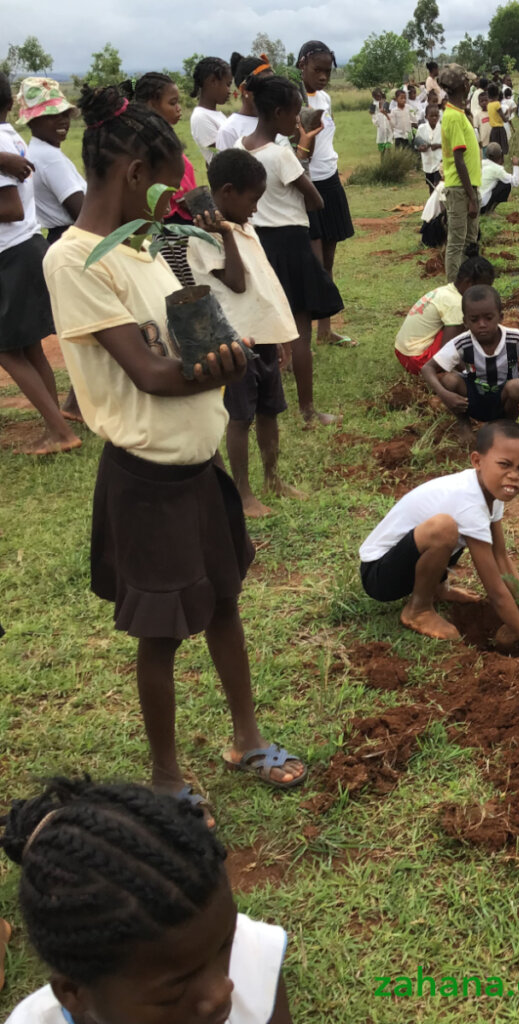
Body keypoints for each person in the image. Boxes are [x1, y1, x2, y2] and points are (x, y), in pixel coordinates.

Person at [43, 85, 306, 824]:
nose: (174, 195)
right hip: (147, 479)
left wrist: (224, 332)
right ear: (133, 175)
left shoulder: (149, 245)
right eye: (167, 180)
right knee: (162, 633)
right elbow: (153, 374)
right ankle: (165, 779)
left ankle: (247, 740)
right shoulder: (75, 263)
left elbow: (202, 319)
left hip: (198, 469)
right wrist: (228, 365)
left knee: (223, 604)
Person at [0, 777, 294, 1024]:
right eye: (174, 990)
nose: (221, 993)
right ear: (74, 993)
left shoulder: (253, 960)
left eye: (226, 945)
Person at [359, 419, 519, 652]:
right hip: (380, 575)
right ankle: (418, 610)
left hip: (407, 561)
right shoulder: (468, 501)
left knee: (449, 529)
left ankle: (436, 589)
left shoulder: (491, 491)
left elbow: (501, 558)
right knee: (444, 528)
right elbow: (496, 592)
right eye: (505, 464)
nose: (514, 476)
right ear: (477, 461)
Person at [187, 148, 305, 518]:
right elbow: (236, 284)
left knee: (270, 409)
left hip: (263, 336)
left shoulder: (244, 226)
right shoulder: (204, 238)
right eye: (253, 198)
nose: (256, 208)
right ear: (226, 193)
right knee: (241, 417)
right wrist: (224, 233)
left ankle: (273, 477)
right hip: (235, 342)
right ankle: (242, 491)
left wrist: (280, 335)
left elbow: (264, 286)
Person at [239, 72, 342, 427]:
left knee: (265, 327)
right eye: (294, 114)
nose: (297, 121)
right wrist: (303, 157)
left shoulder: (239, 148)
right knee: (300, 330)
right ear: (279, 112)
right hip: (291, 243)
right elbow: (314, 201)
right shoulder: (282, 155)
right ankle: (308, 411)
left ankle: (258, 405)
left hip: (257, 242)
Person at [0, 71, 81, 456]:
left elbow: (10, 209)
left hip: (12, 253)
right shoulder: (12, 139)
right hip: (26, 248)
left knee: (6, 349)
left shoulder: (9, 141)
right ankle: (57, 423)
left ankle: (60, 431)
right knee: (29, 347)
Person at [421, 284, 519, 441]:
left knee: (517, 386)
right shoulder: (462, 343)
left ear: (500, 317)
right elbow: (427, 368)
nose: (482, 324)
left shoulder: (516, 339)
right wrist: (444, 394)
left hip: (503, 401)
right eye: (474, 320)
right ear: (465, 322)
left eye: (488, 318)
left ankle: (506, 426)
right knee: (449, 380)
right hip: (473, 399)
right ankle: (464, 424)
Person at [296, 39, 356, 348]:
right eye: (317, 70)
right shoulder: (294, 99)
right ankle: (300, 336)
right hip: (308, 185)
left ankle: (324, 330)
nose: (322, 76)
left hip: (329, 180)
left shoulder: (326, 98)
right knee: (313, 264)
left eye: (328, 71)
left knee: (328, 261)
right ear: (302, 64)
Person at [132, 72, 196, 286]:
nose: (179, 108)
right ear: (152, 105)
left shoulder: (166, 140)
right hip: (172, 231)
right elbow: (172, 194)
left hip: (181, 227)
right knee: (183, 287)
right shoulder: (153, 146)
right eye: (173, 103)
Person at [394, 255, 495, 375]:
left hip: (402, 352)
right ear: (468, 283)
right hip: (417, 359)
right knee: (468, 329)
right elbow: (448, 349)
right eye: (482, 289)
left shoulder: (446, 291)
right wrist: (470, 371)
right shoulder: (456, 304)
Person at [18, 78, 85, 245]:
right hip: (74, 240)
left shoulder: (35, 151)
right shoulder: (49, 158)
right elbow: (82, 212)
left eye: (64, 114)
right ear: (32, 121)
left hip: (59, 240)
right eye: (52, 115)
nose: (62, 120)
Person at [439, 64, 481, 283]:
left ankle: (466, 283)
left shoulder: (458, 113)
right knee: (457, 242)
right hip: (460, 190)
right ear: (463, 85)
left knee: (469, 240)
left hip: (467, 187)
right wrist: (471, 198)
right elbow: (459, 160)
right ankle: (454, 289)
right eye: (468, 82)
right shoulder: (453, 117)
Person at [216, 53, 273, 152]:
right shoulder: (229, 130)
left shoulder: (274, 120)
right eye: (264, 88)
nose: (271, 93)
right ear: (245, 90)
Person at [189, 56, 232, 165]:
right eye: (227, 84)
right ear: (213, 81)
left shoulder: (217, 114)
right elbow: (226, 154)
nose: (229, 91)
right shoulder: (201, 117)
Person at [479, 144, 519, 214]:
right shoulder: (497, 169)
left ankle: (487, 210)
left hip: (473, 205)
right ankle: (489, 210)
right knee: (506, 184)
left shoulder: (481, 163)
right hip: (482, 205)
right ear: (500, 155)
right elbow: (515, 183)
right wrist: (515, 165)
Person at [414, 102, 443, 193]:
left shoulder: (442, 128)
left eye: (436, 116)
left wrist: (438, 145)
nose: (434, 118)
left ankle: (440, 205)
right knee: (431, 186)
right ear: (426, 117)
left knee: (438, 185)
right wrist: (421, 148)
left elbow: (448, 144)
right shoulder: (422, 128)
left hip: (439, 162)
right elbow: (417, 144)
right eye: (432, 116)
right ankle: (432, 204)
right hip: (427, 162)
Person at [485, 83, 508, 155]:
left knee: (494, 150)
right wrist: (507, 115)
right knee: (501, 149)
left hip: (493, 130)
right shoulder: (497, 104)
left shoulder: (488, 105)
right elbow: (504, 119)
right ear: (498, 94)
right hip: (500, 129)